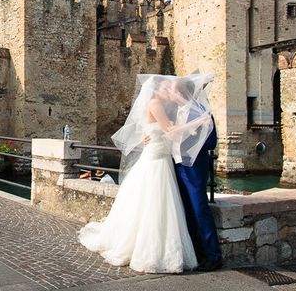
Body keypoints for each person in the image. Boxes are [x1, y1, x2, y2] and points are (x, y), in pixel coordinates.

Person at [78, 74, 213, 274]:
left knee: (158, 204)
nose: (169, 92)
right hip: (157, 161)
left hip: (162, 158)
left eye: (171, 89)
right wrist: (196, 124)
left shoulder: (168, 106)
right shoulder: (156, 104)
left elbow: (162, 129)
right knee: (155, 204)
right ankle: (152, 251)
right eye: (166, 88)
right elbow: (173, 133)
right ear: (156, 90)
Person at [172, 78, 223, 271]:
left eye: (173, 91)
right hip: (179, 164)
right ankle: (197, 252)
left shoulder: (199, 111)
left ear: (181, 93)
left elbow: (211, 142)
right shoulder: (180, 110)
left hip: (193, 166)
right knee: (187, 209)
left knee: (199, 208)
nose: (170, 94)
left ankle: (213, 255)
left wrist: (193, 137)